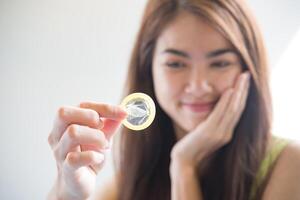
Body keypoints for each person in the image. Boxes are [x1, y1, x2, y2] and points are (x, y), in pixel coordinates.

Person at [47, 0, 300, 199]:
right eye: (176, 63)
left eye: (220, 63)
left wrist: (184, 166)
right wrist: (67, 191)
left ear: (248, 70)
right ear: (149, 71)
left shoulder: (290, 164)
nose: (199, 86)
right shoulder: (135, 180)